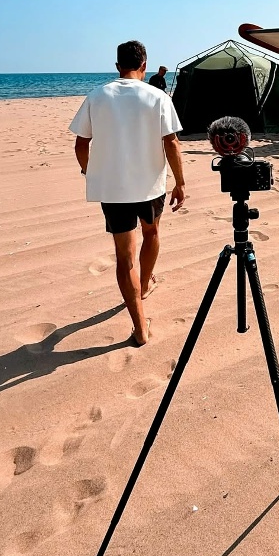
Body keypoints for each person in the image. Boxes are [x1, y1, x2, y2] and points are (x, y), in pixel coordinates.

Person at [70, 41, 186, 346]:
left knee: (124, 256)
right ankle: (144, 283)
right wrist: (181, 182)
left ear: (117, 65)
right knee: (151, 232)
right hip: (150, 185)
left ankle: (139, 325)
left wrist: (89, 171)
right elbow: (172, 142)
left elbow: (81, 145)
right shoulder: (158, 96)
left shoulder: (98, 96)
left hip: (112, 188)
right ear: (144, 64)